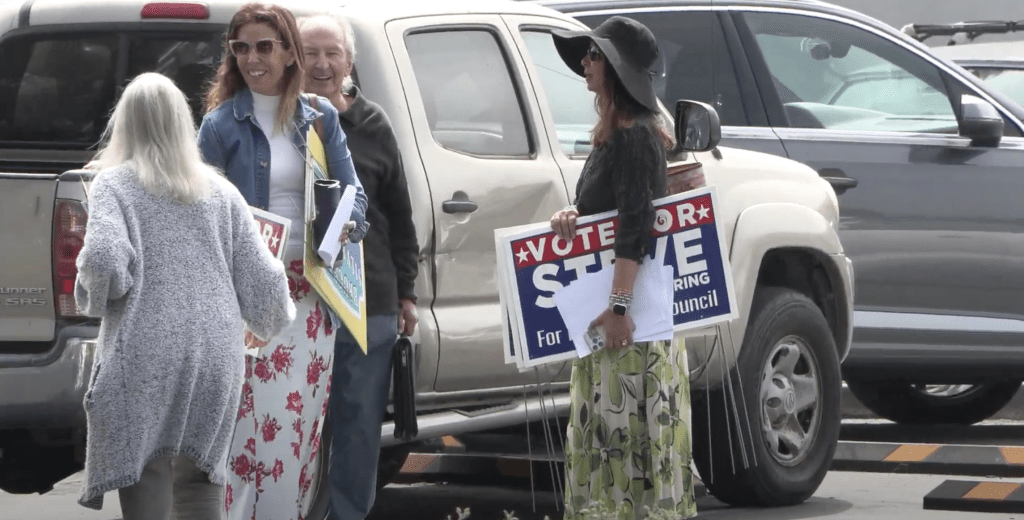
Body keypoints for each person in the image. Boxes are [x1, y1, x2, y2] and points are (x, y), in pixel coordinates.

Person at [74, 72, 295, 520]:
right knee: (201, 477)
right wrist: (267, 322)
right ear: (183, 123)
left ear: (125, 124)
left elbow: (102, 257)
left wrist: (94, 296)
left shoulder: (113, 185)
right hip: (216, 354)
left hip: (144, 350)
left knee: (146, 467)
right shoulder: (221, 191)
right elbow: (267, 280)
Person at [197, 4, 369, 519]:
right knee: (254, 436)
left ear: (289, 52)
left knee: (302, 434)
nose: (253, 58)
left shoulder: (321, 117)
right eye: (241, 48)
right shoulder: (220, 125)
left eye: (265, 46)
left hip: (314, 293)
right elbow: (199, 216)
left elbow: (354, 193)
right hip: (253, 300)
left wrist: (343, 231)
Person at [548, 16, 696, 520]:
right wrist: (574, 215)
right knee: (610, 446)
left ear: (613, 68)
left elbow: (637, 226)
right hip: (618, 325)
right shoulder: (614, 134)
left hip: (633, 332)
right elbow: (610, 216)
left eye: (593, 55)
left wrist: (618, 308)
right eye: (588, 54)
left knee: (630, 452)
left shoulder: (635, 137)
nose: (585, 63)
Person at [298, 13, 419, 520]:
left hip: (369, 303)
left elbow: (398, 213)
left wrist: (407, 293)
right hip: (295, 303)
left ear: (350, 61)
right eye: (311, 54)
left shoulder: (373, 124)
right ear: (293, 60)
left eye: (334, 53)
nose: (323, 64)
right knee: (294, 426)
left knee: (357, 427)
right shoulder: (277, 124)